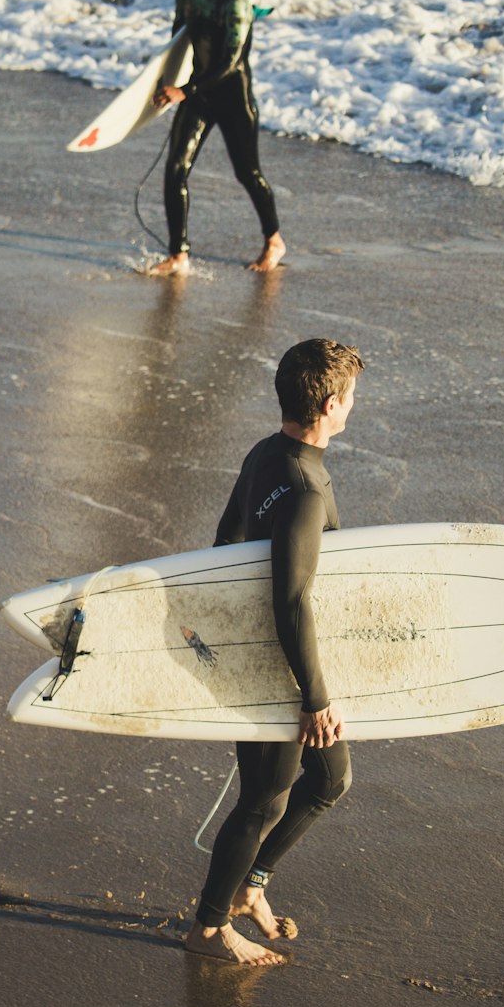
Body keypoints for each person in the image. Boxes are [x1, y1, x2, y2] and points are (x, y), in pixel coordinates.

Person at [185, 338, 364, 965]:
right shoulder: (306, 492)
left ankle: (248, 888)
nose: (352, 411)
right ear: (332, 403)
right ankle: (208, 927)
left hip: (272, 651)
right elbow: (291, 601)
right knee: (266, 797)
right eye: (350, 401)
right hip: (280, 664)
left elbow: (226, 539)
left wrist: (219, 627)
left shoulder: (266, 454)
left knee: (329, 779)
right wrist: (315, 698)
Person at [149, 0, 286, 277]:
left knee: (247, 172)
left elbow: (231, 61)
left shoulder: (235, 1)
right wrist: (164, 83)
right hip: (197, 92)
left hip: (232, 97)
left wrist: (185, 90)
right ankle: (178, 254)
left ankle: (274, 240)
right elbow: (176, 44)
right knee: (175, 169)